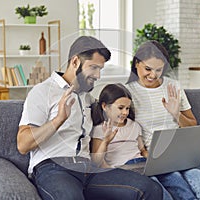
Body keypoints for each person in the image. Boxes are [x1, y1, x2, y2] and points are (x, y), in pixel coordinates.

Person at [17, 36, 163, 200]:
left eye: (100, 69)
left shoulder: (87, 98)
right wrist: (59, 119)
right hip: (54, 167)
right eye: (93, 67)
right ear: (75, 62)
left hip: (89, 169)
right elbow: (23, 144)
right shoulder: (42, 92)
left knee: (150, 189)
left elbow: (117, 110)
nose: (98, 75)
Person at [126, 40, 200, 200]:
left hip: (189, 151)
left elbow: (192, 125)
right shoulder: (127, 92)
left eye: (159, 70)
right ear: (137, 63)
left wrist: (176, 114)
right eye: (148, 69)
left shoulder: (173, 86)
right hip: (161, 158)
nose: (153, 75)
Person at [90, 83, 196, 200]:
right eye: (120, 108)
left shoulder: (134, 126)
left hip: (143, 163)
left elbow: (142, 150)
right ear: (105, 106)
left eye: (127, 108)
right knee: (156, 185)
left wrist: (153, 160)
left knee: (174, 177)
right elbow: (96, 161)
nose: (125, 112)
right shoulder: (99, 130)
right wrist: (106, 141)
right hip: (125, 168)